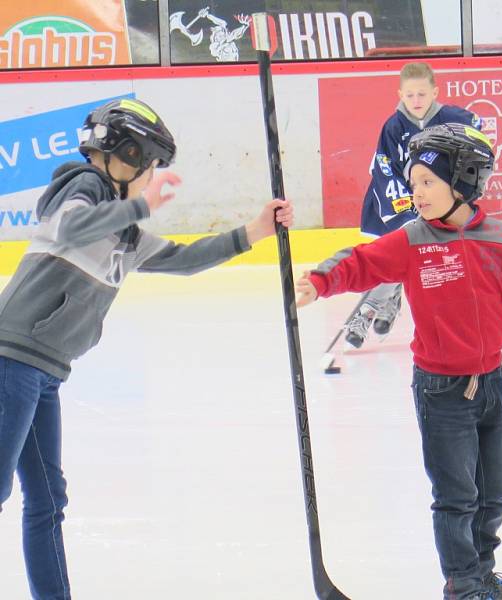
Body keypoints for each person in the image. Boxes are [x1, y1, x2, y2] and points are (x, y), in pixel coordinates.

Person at [0, 98, 292, 600]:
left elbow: (183, 259)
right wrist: (140, 204)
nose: (152, 176)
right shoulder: (82, 186)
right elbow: (70, 227)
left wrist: (254, 232)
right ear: (126, 154)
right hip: (12, 358)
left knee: (48, 499)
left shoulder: (126, 235)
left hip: (45, 370)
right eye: (150, 165)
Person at [296, 122, 502, 600]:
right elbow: (360, 261)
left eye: (427, 182)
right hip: (441, 392)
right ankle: (462, 588)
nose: (415, 193)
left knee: (493, 497)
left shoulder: (501, 240)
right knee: (456, 500)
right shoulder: (412, 240)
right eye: (413, 182)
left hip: (493, 387)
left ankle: (483, 577)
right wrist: (319, 282)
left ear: (463, 183)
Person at [344, 61, 482, 349]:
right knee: (390, 256)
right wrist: (404, 209)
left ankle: (368, 310)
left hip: (432, 202)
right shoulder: (393, 127)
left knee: (412, 256)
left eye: (422, 94)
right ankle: (385, 300)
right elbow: (384, 168)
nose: (416, 101)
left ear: (435, 92)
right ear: (400, 94)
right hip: (393, 201)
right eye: (410, 95)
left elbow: (478, 140)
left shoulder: (453, 118)